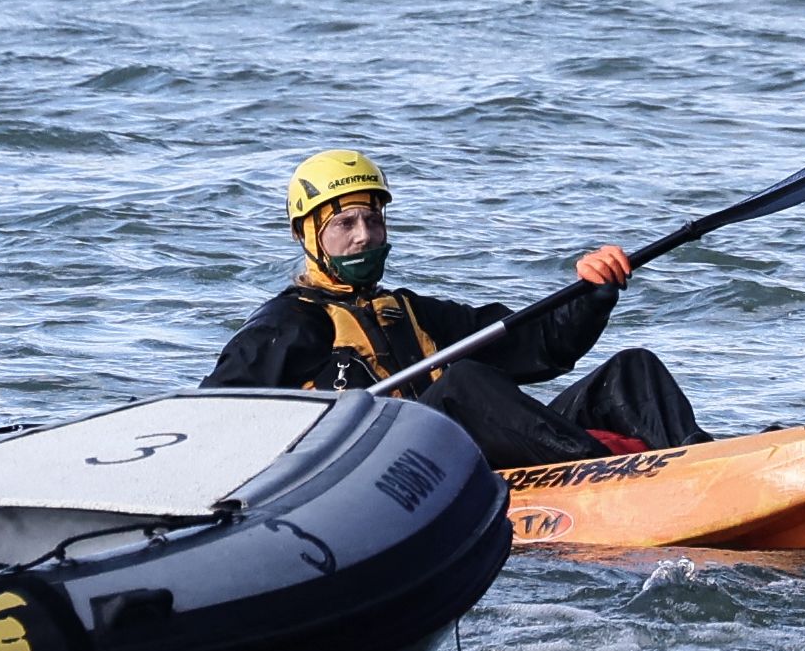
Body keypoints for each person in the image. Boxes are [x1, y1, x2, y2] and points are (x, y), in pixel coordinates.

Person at [207, 148, 710, 471]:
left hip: (474, 458)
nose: (364, 236)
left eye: (373, 220)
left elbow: (537, 347)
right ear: (307, 236)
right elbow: (217, 418)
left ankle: (704, 462)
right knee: (460, 385)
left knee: (631, 370)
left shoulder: (412, 312)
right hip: (397, 476)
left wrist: (592, 295)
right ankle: (615, 474)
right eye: (345, 224)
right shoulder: (284, 327)